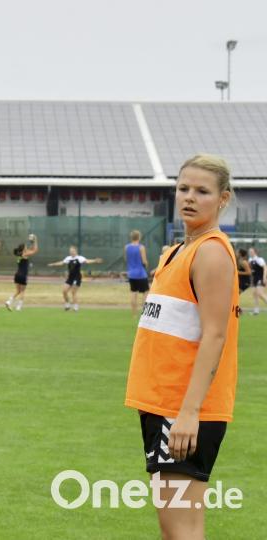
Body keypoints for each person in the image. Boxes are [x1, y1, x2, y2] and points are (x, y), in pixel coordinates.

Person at [125, 154, 239, 540]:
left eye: (202, 191)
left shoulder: (210, 251)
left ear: (223, 199)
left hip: (183, 410)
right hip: (161, 405)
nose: (189, 197)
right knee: (175, 530)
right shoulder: (176, 251)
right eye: (183, 188)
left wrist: (189, 413)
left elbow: (215, 336)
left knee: (183, 530)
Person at [47, 246, 103, 312]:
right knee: (64, 291)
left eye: (73, 251)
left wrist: (95, 261)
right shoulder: (68, 258)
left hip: (77, 277)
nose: (71, 252)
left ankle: (75, 306)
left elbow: (87, 261)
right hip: (70, 277)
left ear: (76, 251)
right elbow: (61, 263)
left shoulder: (80, 258)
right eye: (70, 251)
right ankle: (67, 304)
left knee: (73, 292)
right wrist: (53, 264)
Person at [5, 234, 38, 311]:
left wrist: (32, 243)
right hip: (23, 275)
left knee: (17, 291)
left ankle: (9, 301)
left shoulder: (19, 254)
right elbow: (35, 250)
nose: (27, 248)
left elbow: (32, 249)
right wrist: (35, 240)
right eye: (25, 247)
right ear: (23, 249)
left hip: (17, 275)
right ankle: (19, 307)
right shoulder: (25, 254)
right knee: (22, 291)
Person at [125, 230, 150, 316]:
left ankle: (134, 314)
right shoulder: (141, 247)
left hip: (131, 274)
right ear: (139, 237)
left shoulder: (127, 247)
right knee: (145, 292)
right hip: (141, 274)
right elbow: (144, 261)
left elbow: (126, 259)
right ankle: (144, 313)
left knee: (133, 292)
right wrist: (146, 265)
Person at [247, 246, 266, 315]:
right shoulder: (250, 260)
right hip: (254, 279)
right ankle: (256, 311)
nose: (250, 253)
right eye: (249, 251)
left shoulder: (259, 259)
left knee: (260, 293)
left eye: (251, 251)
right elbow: (251, 271)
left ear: (255, 252)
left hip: (260, 278)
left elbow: (265, 267)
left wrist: (264, 277)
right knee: (255, 295)